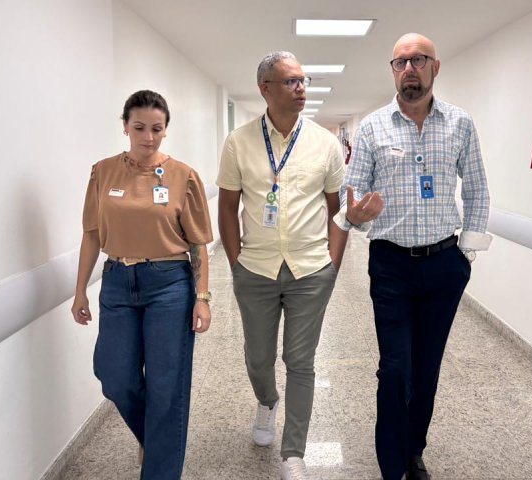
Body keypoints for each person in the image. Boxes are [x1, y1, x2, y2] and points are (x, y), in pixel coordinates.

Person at [335, 33, 492, 480]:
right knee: (395, 368)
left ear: (434, 68)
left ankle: (413, 451)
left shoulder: (460, 124)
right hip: (391, 265)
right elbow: (351, 197)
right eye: (399, 62)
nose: (408, 69)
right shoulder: (372, 128)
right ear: (392, 71)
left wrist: (465, 255)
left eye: (418, 60)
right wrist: (355, 215)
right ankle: (391, 465)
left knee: (426, 368)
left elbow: (477, 188)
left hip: (444, 264)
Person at [71, 90, 213, 480]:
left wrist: (202, 297)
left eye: (156, 128)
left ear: (166, 130)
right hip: (117, 281)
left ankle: (160, 468)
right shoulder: (103, 172)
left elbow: (198, 243)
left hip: (169, 285)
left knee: (167, 386)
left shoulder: (184, 176)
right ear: (125, 127)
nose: (148, 137)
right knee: (114, 375)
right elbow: (91, 233)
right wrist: (80, 289)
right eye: (139, 128)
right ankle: (156, 439)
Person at [217, 51, 346, 480]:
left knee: (300, 360)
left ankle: (293, 453)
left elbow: (337, 210)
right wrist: (236, 264)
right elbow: (227, 208)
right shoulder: (239, 142)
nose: (300, 88)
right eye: (290, 81)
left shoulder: (325, 144)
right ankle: (267, 400)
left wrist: (332, 265)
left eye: (303, 80)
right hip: (256, 269)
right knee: (258, 358)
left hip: (311, 270)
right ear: (265, 89)